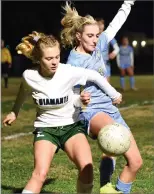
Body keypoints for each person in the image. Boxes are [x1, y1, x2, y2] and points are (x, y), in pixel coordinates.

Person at [3, 31, 122, 194]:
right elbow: (23, 92)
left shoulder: (68, 72)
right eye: (49, 58)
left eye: (57, 57)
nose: (54, 62)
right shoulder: (29, 76)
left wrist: (113, 94)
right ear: (39, 58)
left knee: (87, 169)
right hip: (46, 130)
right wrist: (14, 112)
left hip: (71, 128)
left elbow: (94, 76)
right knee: (39, 174)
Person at [60, 1, 142, 193]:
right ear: (78, 36)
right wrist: (81, 99)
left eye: (96, 35)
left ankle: (114, 190)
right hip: (91, 111)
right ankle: (105, 184)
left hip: (110, 108)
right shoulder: (74, 62)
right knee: (112, 135)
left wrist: (127, 3)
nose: (95, 40)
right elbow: (69, 95)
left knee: (136, 162)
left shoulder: (99, 45)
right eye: (90, 36)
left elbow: (116, 24)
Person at [96, 18, 120, 83]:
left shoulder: (107, 35)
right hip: (94, 64)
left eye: (102, 24)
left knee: (106, 85)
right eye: (98, 24)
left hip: (105, 64)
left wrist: (114, 53)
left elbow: (117, 48)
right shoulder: (91, 35)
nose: (100, 26)